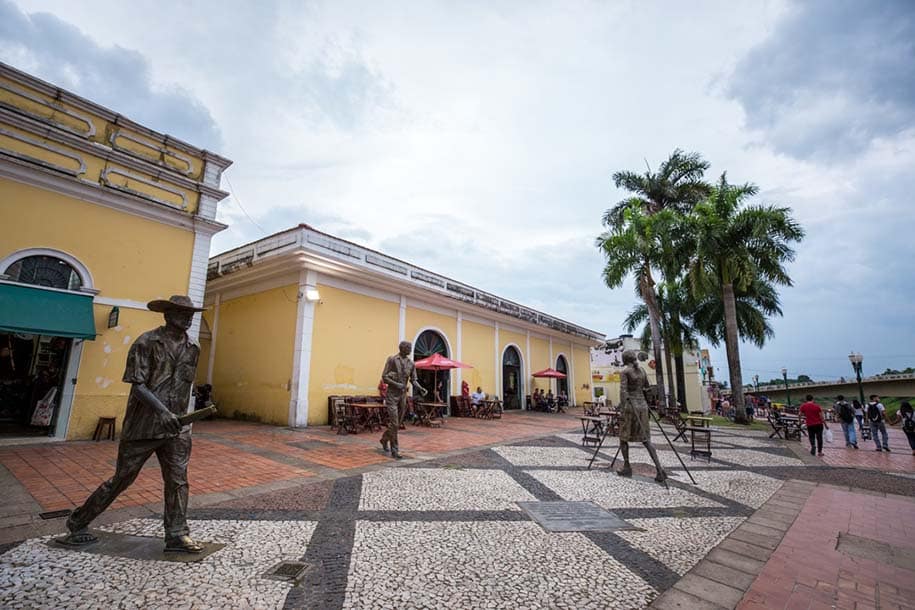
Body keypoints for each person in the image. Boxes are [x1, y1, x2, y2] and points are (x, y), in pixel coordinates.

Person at [62, 295, 206, 552]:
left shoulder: (193, 347)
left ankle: (176, 534)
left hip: (177, 428)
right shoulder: (146, 342)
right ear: (168, 314)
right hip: (143, 426)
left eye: (191, 313)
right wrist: (162, 411)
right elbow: (137, 384)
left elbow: (184, 386)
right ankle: (78, 521)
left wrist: (181, 417)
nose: (189, 317)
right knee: (123, 478)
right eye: (183, 312)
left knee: (178, 480)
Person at [616, 350, 667, 483]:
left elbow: (623, 392)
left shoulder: (625, 372)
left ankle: (627, 466)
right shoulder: (643, 371)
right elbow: (648, 390)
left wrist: (622, 408)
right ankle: (659, 469)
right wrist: (647, 403)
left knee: (623, 438)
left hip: (630, 407)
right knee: (646, 440)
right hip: (643, 407)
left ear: (625, 359)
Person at [380, 341, 427, 460]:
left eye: (411, 348)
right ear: (402, 348)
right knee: (395, 423)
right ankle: (395, 450)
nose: (410, 350)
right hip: (391, 395)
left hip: (402, 397)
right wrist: (397, 384)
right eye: (409, 348)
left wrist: (421, 388)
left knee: (397, 423)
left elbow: (413, 380)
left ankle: (384, 439)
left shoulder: (411, 363)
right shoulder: (392, 359)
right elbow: (384, 377)